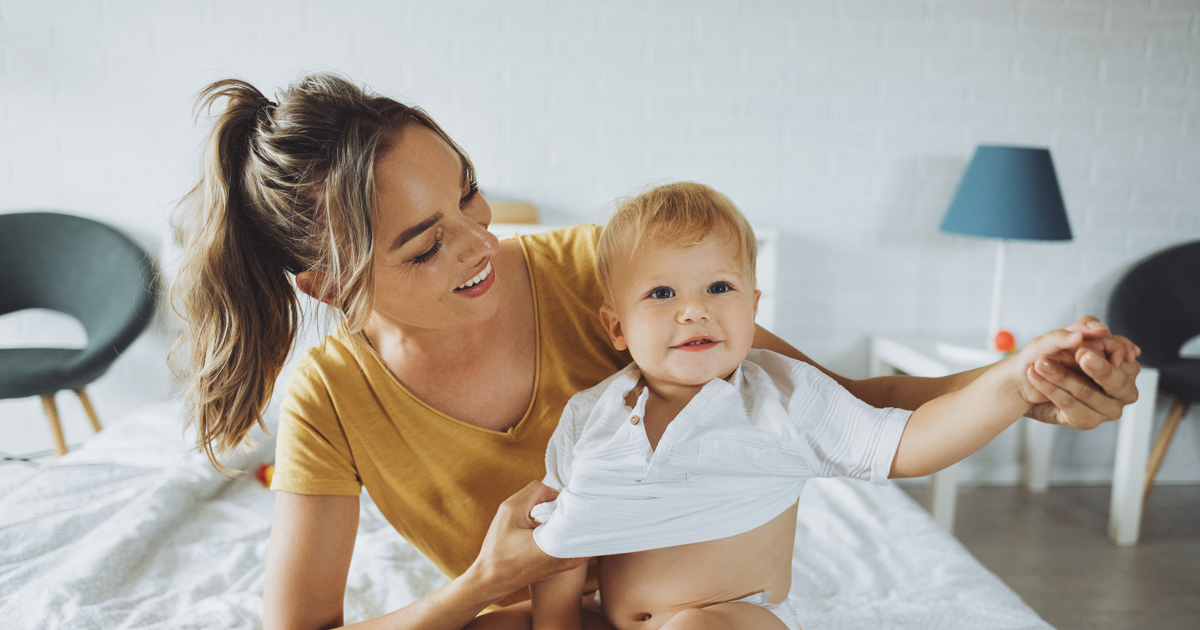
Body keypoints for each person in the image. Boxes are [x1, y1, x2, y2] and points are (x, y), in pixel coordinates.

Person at [171, 73, 1142, 630]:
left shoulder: (602, 271)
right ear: (327, 286)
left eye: (470, 193)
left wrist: (1029, 383)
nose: (481, 243)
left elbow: (847, 400)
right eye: (425, 244)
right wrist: (479, 586)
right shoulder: (329, 398)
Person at [526, 182, 1112, 630]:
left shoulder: (780, 395)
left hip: (732, 618)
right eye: (661, 293)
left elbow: (907, 445)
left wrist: (1013, 384)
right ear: (616, 327)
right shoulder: (592, 415)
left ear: (753, 307)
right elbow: (561, 544)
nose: (694, 310)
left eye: (719, 288)